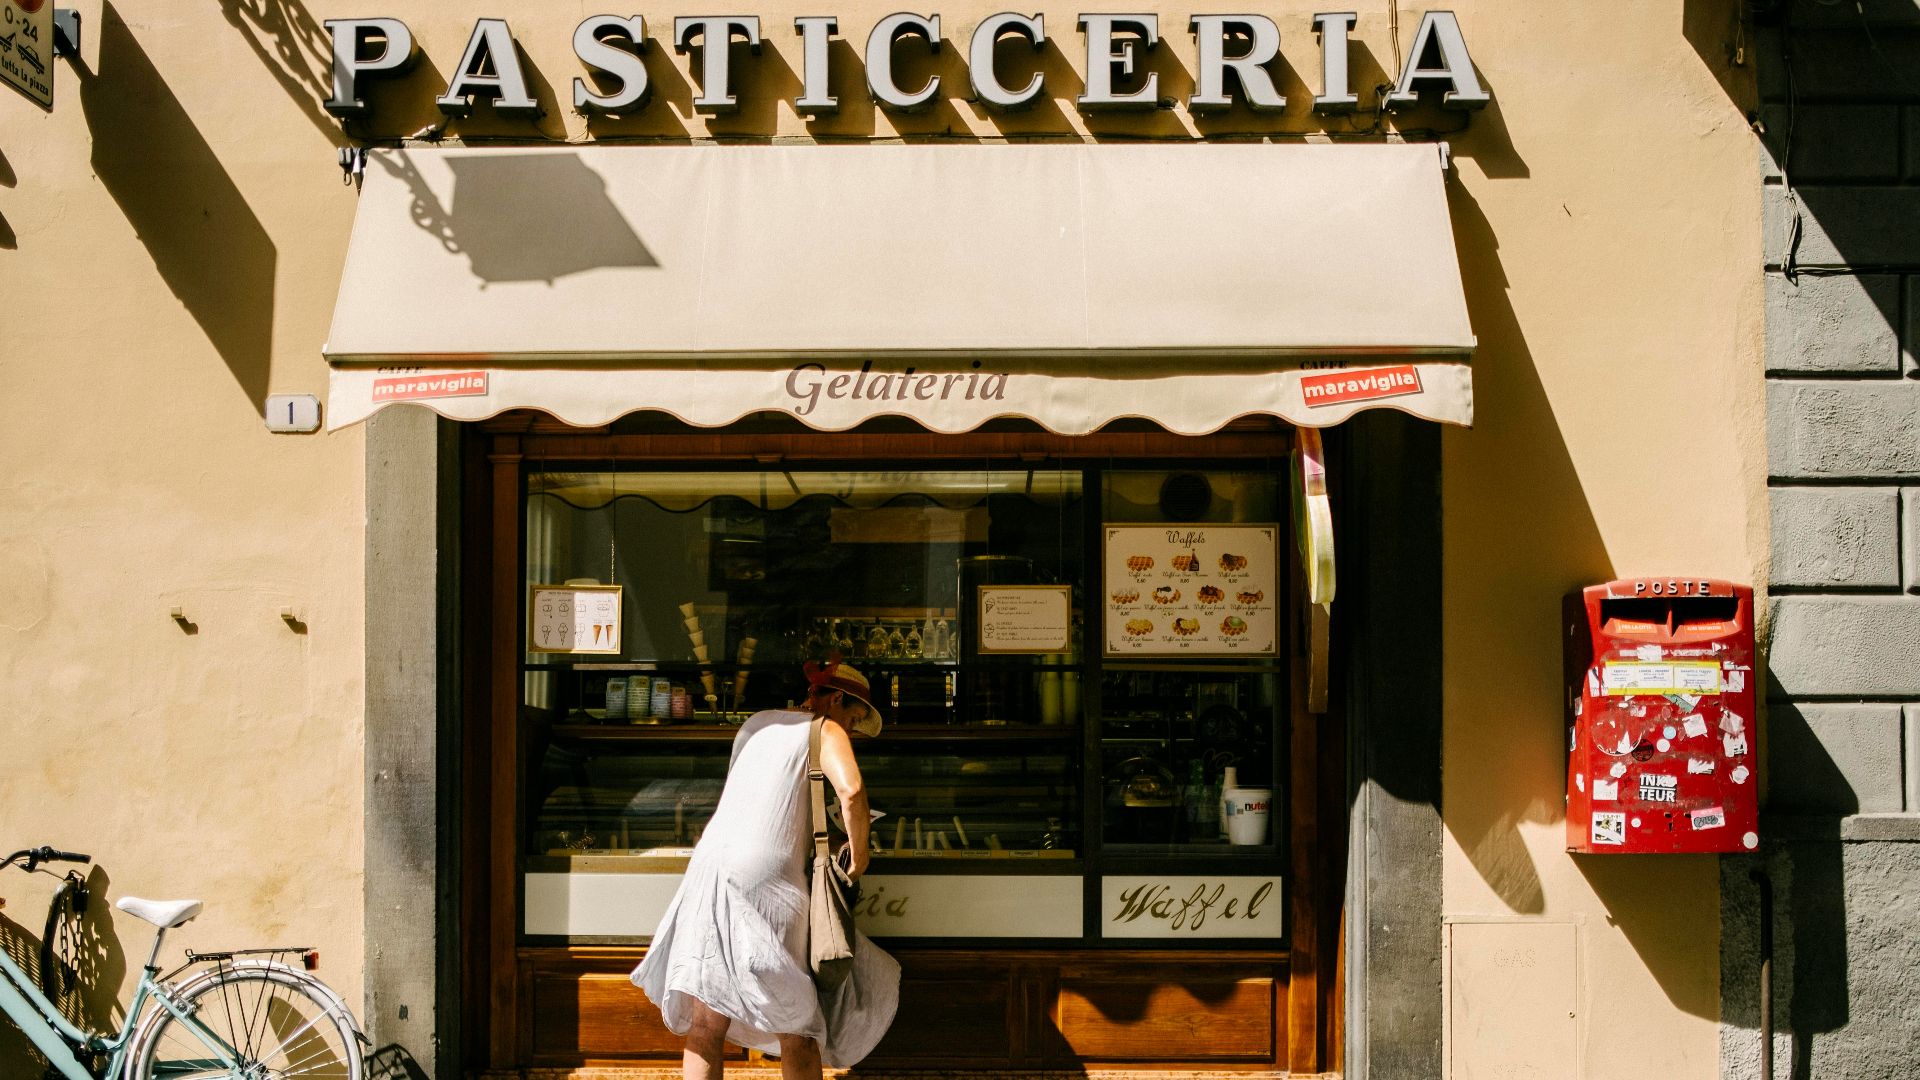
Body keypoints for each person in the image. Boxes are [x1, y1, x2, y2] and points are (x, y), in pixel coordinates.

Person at [632, 661, 901, 1080]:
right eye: (852, 718)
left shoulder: (756, 723)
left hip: (710, 869)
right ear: (834, 700)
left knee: (706, 1023)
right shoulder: (825, 729)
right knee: (797, 1028)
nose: (849, 729)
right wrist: (860, 854)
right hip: (767, 882)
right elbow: (852, 790)